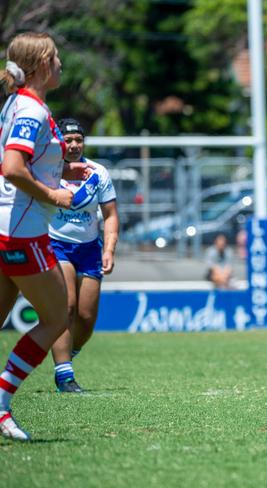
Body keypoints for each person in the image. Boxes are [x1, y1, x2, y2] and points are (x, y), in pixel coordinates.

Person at [0, 32, 88, 440]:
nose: (61, 66)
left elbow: (28, 161)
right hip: (21, 233)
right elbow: (14, 168)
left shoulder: (22, 104)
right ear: (39, 66)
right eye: (55, 59)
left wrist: (60, 172)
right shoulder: (31, 111)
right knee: (57, 316)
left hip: (10, 228)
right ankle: (1, 404)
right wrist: (55, 193)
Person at [48, 118, 119, 393]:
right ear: (59, 143)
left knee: (87, 317)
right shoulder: (48, 171)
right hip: (56, 245)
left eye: (79, 140)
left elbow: (111, 216)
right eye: (68, 140)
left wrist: (109, 249)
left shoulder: (98, 172)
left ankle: (66, 354)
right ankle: (64, 374)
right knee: (66, 306)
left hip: (90, 249)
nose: (74, 145)